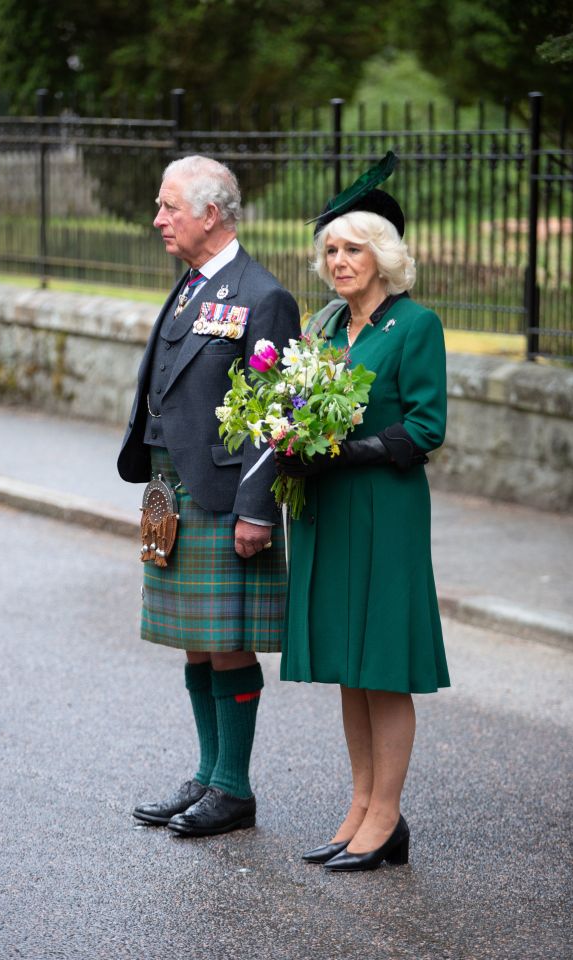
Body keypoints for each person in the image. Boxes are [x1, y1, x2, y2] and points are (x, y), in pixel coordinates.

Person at [276, 153, 450, 871]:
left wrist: (351, 451)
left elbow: (425, 425)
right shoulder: (321, 323)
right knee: (350, 663)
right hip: (327, 511)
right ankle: (359, 804)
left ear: (383, 255)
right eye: (330, 250)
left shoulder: (415, 326)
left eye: (352, 248)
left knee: (384, 663)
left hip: (384, 507)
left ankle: (387, 816)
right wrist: (285, 435)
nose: (338, 260)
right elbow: (294, 403)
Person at [118, 155, 300, 837]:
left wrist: (257, 508)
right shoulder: (193, 285)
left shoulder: (265, 295)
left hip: (225, 494)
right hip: (171, 486)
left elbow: (275, 414)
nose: (158, 219)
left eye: (169, 207)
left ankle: (234, 788)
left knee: (226, 641)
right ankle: (205, 774)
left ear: (211, 215)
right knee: (195, 640)